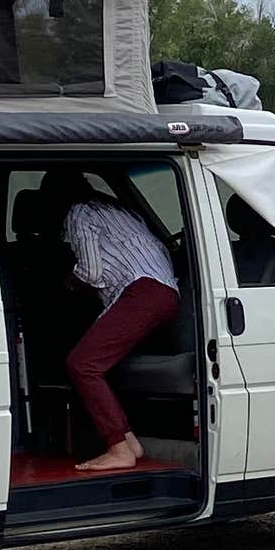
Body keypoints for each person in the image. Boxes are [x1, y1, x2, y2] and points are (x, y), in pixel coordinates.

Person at [61, 182, 183, 473]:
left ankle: (118, 448)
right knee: (93, 362)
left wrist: (67, 283)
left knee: (83, 364)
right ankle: (129, 441)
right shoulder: (122, 212)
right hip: (165, 291)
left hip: (141, 292)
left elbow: (91, 271)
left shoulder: (79, 212)